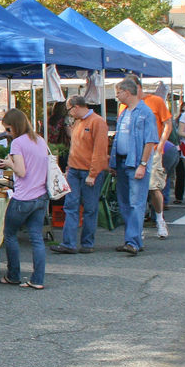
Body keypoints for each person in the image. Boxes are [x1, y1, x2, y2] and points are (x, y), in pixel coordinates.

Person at [0, 108, 49, 289]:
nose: (7, 133)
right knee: (36, 238)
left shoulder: (17, 143)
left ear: (15, 127)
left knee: (10, 234)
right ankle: (37, 280)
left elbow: (21, 171)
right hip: (41, 197)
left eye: (8, 129)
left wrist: (9, 163)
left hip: (23, 198)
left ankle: (13, 275)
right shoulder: (40, 140)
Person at [51, 96, 109, 255]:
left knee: (90, 208)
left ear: (76, 107)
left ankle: (87, 243)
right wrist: (69, 167)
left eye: (69, 110)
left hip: (89, 171)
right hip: (75, 171)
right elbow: (75, 148)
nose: (69, 114)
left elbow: (100, 150)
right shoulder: (78, 123)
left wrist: (93, 173)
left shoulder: (97, 122)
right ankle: (68, 243)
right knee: (70, 206)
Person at [119, 76, 174, 238]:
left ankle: (159, 218)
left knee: (153, 188)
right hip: (131, 154)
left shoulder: (154, 102)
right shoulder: (124, 106)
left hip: (152, 152)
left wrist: (160, 145)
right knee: (133, 194)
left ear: (136, 88)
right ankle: (137, 230)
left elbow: (167, 124)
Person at [109, 80, 159, 256]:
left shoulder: (145, 112)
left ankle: (133, 241)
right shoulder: (124, 112)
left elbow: (150, 140)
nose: (117, 96)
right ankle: (132, 239)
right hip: (122, 162)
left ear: (127, 92)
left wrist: (143, 165)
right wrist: (113, 164)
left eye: (118, 93)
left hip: (136, 163)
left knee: (136, 203)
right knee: (125, 203)